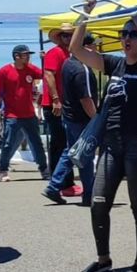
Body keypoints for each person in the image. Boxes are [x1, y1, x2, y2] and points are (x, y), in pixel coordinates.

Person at [71, 0, 137, 272]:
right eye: (123, 34)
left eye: (132, 34)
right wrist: (85, 15)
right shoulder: (114, 64)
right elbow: (75, 49)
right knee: (99, 202)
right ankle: (103, 259)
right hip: (111, 144)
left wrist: (136, 17)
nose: (126, 38)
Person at [42, 33, 99, 206]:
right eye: (94, 46)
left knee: (71, 151)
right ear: (87, 48)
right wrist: (96, 118)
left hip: (70, 115)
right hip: (81, 117)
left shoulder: (68, 63)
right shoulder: (82, 69)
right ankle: (89, 193)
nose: (96, 50)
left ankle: (54, 186)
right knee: (84, 153)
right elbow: (86, 98)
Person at [0, 44, 49, 181]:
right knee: (8, 143)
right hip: (12, 115)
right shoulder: (4, 71)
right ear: (17, 56)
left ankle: (44, 169)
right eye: (25, 55)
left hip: (29, 114)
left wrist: (45, 60)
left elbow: (45, 75)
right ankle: (3, 170)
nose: (29, 57)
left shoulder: (30, 69)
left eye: (29, 54)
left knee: (36, 143)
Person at [42, 23, 76, 192]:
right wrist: (56, 99)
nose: (68, 38)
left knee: (65, 143)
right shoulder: (55, 53)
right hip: (54, 104)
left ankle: (64, 181)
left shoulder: (71, 53)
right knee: (60, 144)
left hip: (66, 104)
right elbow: (48, 74)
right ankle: (61, 182)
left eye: (70, 35)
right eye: (64, 35)